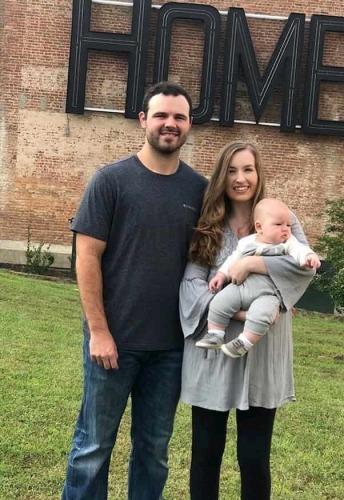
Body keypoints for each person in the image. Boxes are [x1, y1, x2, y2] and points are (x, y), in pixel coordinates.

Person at [61, 81, 207, 500]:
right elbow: (86, 257)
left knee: (154, 452)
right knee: (92, 448)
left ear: (189, 125)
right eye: (161, 115)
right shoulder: (111, 181)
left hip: (170, 349)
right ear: (143, 120)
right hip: (113, 343)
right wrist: (100, 331)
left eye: (179, 117)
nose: (170, 124)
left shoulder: (198, 190)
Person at [179, 141, 316, 499]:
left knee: (254, 457)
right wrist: (233, 309)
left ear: (259, 174)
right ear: (222, 176)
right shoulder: (209, 223)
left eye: (248, 169)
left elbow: (303, 266)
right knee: (206, 453)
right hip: (214, 350)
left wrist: (251, 264)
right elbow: (192, 280)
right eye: (233, 170)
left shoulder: (281, 217)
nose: (241, 179)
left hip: (262, 351)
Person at [197, 197, 320, 358]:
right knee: (219, 302)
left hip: (268, 293)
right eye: (278, 224)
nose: (286, 229)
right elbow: (233, 259)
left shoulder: (288, 243)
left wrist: (309, 257)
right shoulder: (247, 242)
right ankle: (215, 334)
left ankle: (244, 342)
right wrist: (221, 275)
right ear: (259, 227)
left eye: (288, 225)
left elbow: (300, 251)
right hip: (241, 288)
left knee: (262, 314)